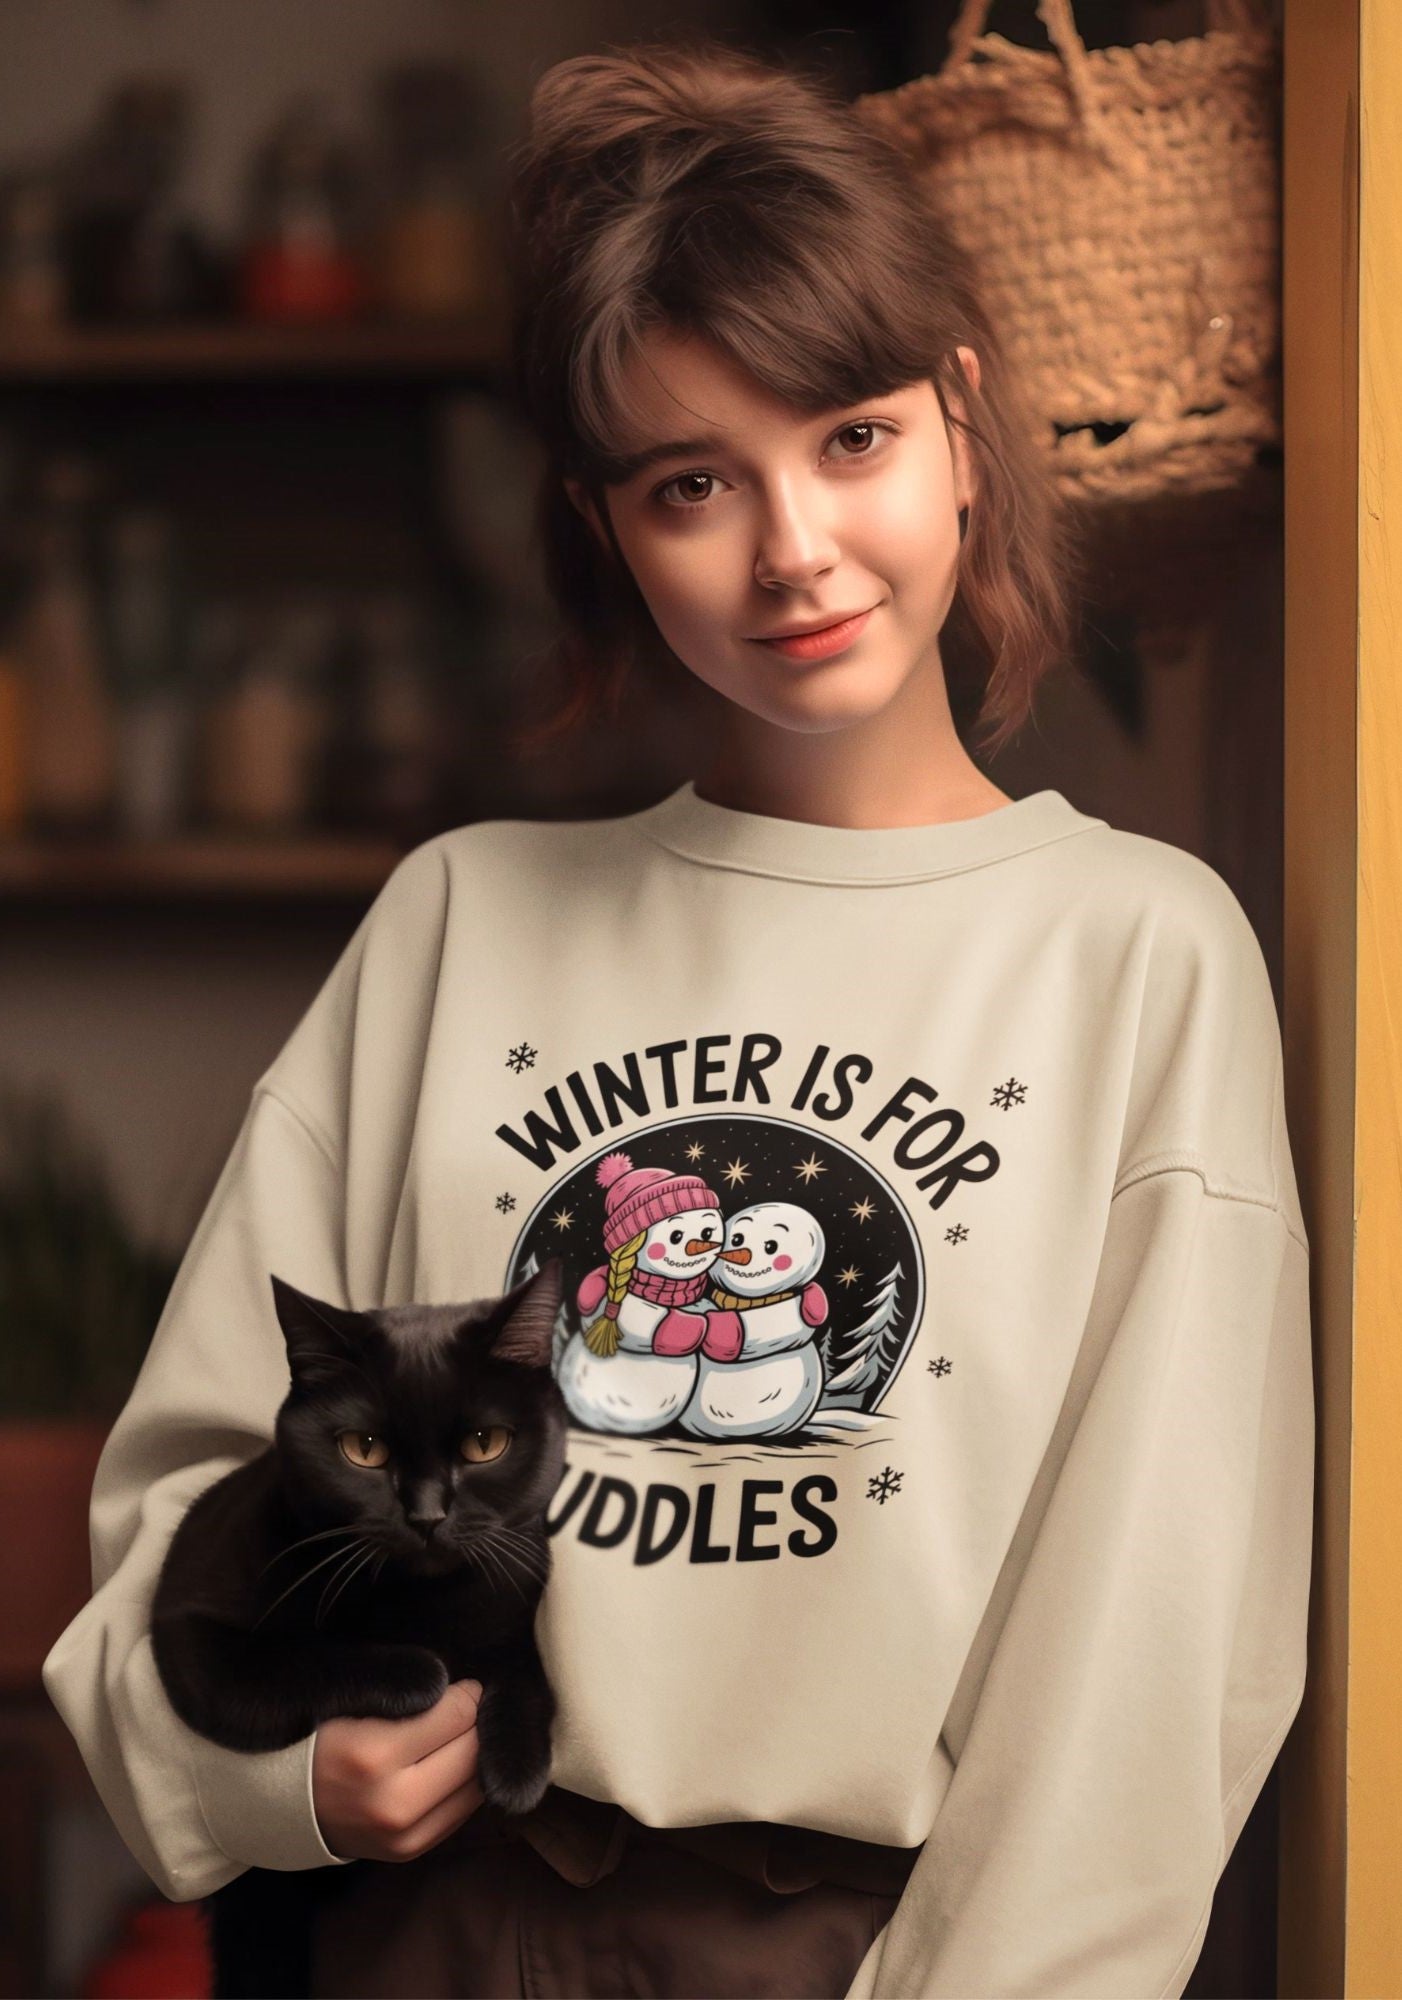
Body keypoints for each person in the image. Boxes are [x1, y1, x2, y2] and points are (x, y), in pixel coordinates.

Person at [43, 33, 1314, 2000]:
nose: (791, 548)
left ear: (961, 421)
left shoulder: (1132, 954)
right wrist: (291, 1779)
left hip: (855, 1952)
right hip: (427, 1936)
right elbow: (189, 1498)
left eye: (851, 439)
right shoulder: (461, 920)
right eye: (692, 481)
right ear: (606, 529)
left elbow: (1154, 1648)